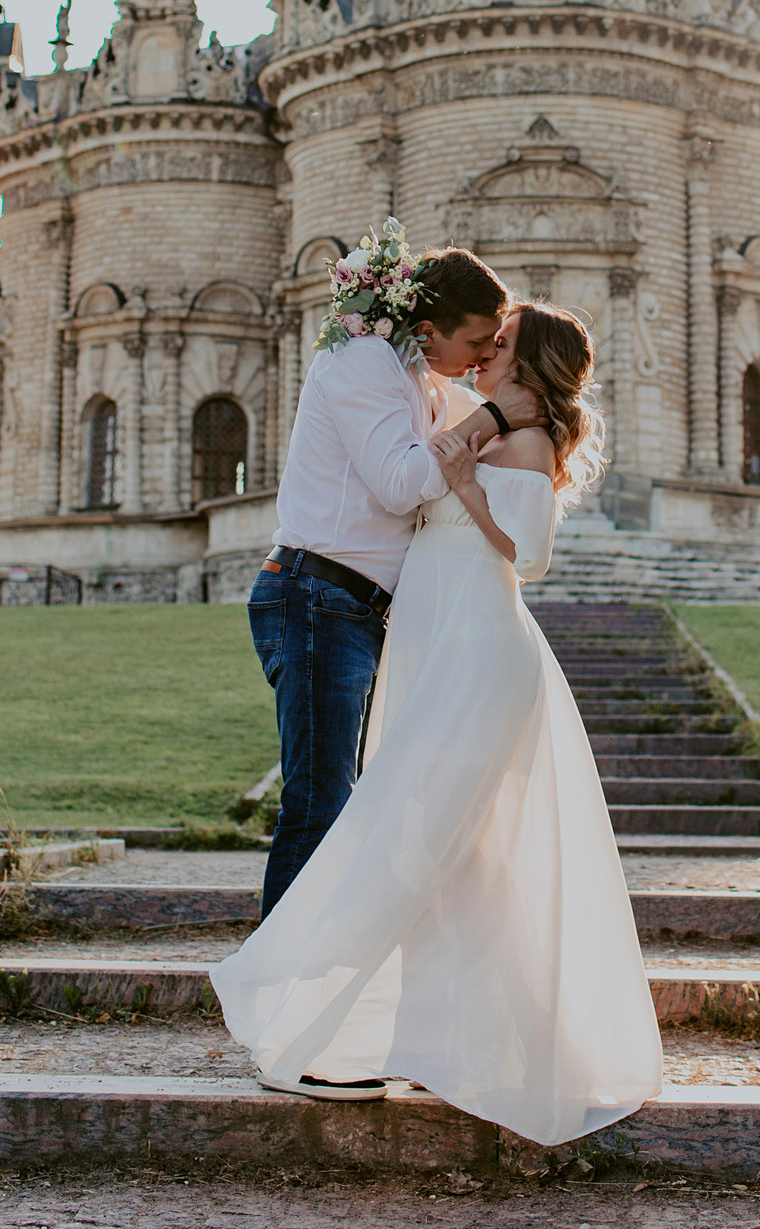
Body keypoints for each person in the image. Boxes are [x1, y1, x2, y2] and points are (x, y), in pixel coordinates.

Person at [212, 302, 664, 1144]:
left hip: (475, 649)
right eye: (484, 338)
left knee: (413, 838)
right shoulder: (486, 425)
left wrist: (465, 487)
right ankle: (440, 1039)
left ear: (529, 361)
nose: (484, 351)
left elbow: (529, 555)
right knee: (448, 853)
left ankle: (324, 1026)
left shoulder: (527, 445)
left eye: (502, 344)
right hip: (433, 638)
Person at [250, 242, 518, 948]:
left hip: (351, 608)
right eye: (476, 342)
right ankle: (279, 987)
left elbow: (493, 422)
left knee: (348, 801)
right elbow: (400, 483)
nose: (483, 357)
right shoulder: (363, 360)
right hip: (316, 594)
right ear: (427, 329)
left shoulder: (419, 376)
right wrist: (488, 419)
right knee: (320, 802)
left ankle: (307, 976)